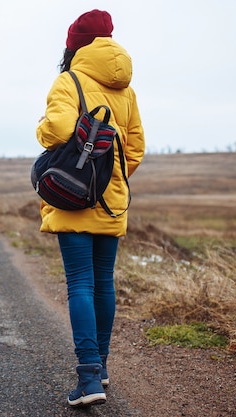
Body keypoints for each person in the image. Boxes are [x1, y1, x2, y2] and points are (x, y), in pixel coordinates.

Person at [36, 9, 146, 407]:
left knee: (80, 283)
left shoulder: (69, 81)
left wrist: (40, 127)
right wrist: (110, 179)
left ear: (75, 45)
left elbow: (58, 131)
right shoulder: (127, 91)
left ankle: (87, 379)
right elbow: (135, 148)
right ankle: (99, 367)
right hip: (111, 202)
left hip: (72, 198)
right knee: (104, 281)